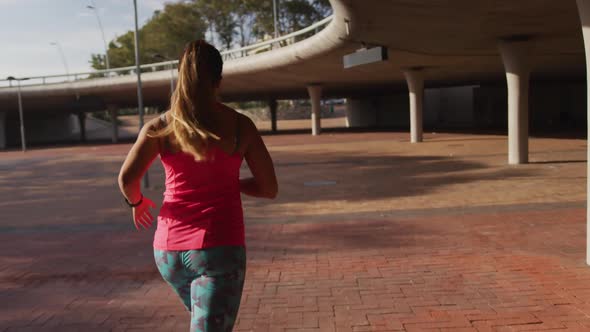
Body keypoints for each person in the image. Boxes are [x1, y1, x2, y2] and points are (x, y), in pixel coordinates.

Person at [118, 39, 278, 332]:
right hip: (218, 250)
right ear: (219, 79)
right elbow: (269, 188)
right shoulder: (241, 126)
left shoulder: (160, 126)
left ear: (181, 76)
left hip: (168, 253)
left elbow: (127, 180)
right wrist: (232, 184)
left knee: (205, 321)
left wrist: (137, 203)